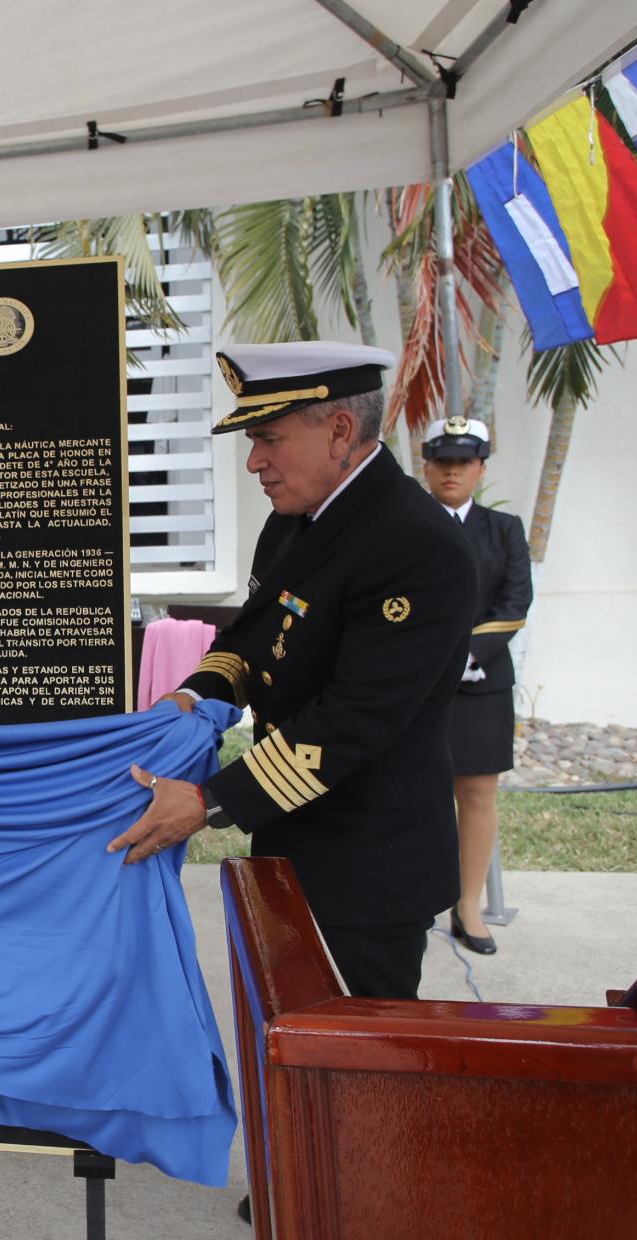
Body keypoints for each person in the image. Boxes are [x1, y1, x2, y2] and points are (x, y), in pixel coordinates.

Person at [110, 341, 475, 1005]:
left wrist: (207, 800)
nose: (254, 462)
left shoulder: (416, 543)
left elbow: (356, 717)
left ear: (339, 429)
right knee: (286, 1047)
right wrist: (194, 696)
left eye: (269, 438)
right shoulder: (295, 525)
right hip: (288, 837)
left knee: (358, 1069)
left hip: (369, 864)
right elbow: (252, 643)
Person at [421, 417, 531, 956]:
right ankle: (418, 898)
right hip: (415, 683)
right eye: (442, 461)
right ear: (426, 467)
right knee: (416, 788)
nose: (452, 471)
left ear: (480, 469)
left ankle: (467, 906)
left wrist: (467, 654)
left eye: (463, 462)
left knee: (478, 793)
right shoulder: (407, 525)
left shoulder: (503, 529)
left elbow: (514, 606)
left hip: (480, 681)